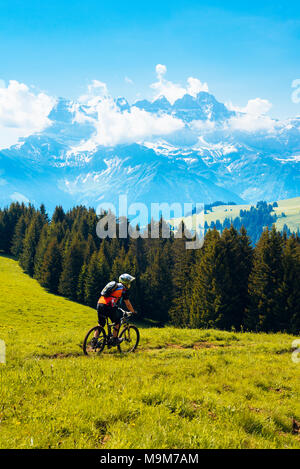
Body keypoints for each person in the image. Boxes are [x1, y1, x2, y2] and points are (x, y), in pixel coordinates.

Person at [92, 273, 136, 347]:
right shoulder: (123, 290)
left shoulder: (114, 286)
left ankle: (94, 341)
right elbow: (128, 304)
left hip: (100, 304)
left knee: (101, 323)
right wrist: (133, 311)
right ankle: (114, 339)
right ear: (126, 283)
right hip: (108, 306)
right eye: (129, 282)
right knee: (117, 321)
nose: (129, 284)